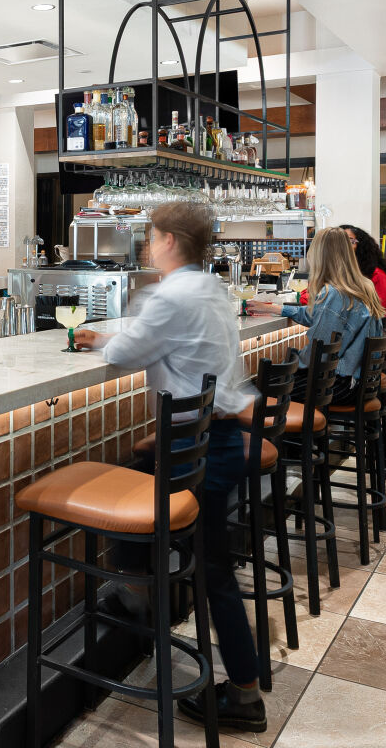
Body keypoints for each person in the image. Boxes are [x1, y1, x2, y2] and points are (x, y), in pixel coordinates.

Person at [72, 201, 266, 733]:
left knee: (214, 571)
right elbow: (156, 345)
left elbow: (128, 353)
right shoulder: (211, 288)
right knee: (141, 468)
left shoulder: (169, 294)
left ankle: (245, 692)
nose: (146, 245)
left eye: (151, 236)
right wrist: (108, 339)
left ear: (170, 241)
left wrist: (102, 341)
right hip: (214, 438)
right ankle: (135, 587)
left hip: (199, 448)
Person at [248, 227, 384, 406]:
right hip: (361, 382)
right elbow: (318, 314)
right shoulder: (363, 286)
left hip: (339, 384)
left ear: (322, 257)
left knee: (254, 386)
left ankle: (290, 425)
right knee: (269, 379)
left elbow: (317, 353)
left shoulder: (334, 294)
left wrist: (290, 362)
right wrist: (276, 308)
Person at [339, 224, 386, 364]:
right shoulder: (341, 275)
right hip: (363, 337)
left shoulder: (376, 276)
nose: (343, 246)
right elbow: (308, 296)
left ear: (362, 246)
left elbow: (373, 314)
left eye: (349, 241)